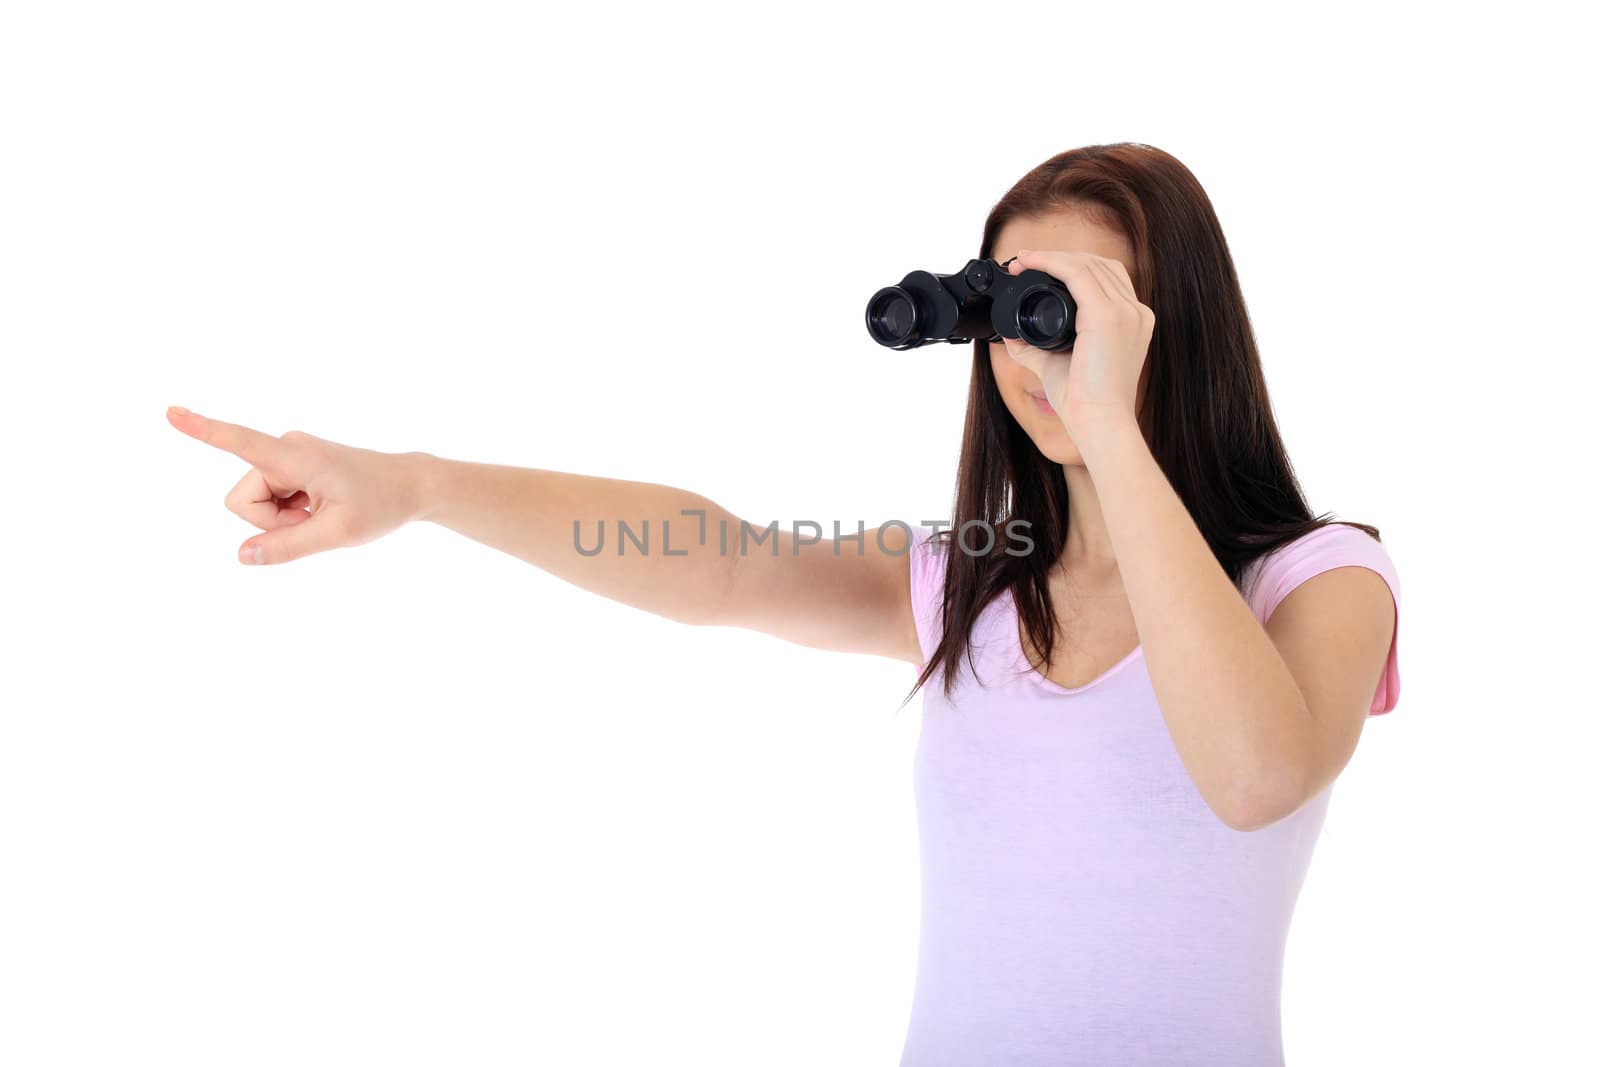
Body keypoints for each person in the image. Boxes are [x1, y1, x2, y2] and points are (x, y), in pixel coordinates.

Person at [167, 142, 1401, 1066]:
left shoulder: (1318, 576)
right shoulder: (967, 579)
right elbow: (718, 558)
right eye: (1008, 313)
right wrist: (418, 486)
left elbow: (1250, 776)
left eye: (1066, 315)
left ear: (1162, 327)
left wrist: (1112, 430)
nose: (1031, 359)